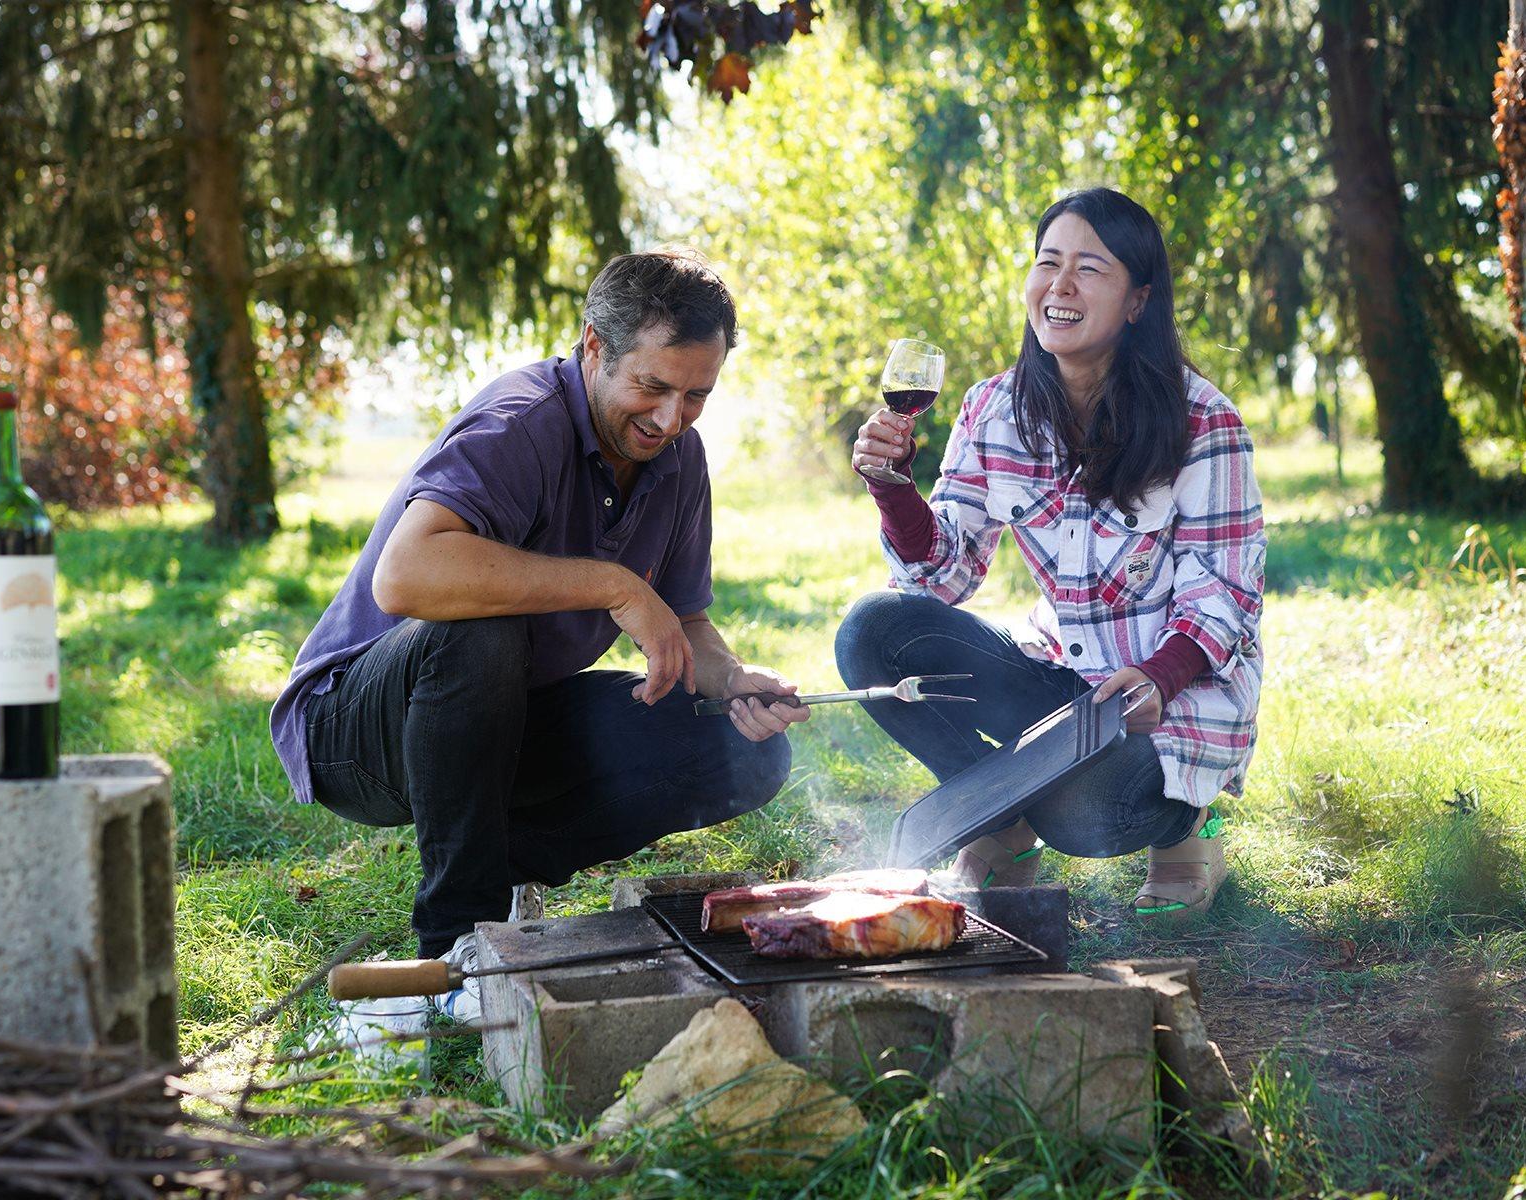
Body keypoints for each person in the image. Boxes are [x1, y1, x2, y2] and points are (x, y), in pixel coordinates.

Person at [271, 250, 809, 1027]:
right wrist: (615, 583)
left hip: (504, 718)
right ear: (594, 346)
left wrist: (732, 680)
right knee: (481, 634)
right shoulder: (520, 423)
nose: (671, 418)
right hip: (359, 729)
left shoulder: (679, 459)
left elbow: (687, 618)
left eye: (697, 395)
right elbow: (406, 576)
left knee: (743, 750)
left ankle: (490, 850)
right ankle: (454, 953)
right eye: (652, 387)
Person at [835, 188, 1264, 922]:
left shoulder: (1203, 421)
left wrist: (1160, 677)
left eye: (1089, 268)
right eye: (1047, 262)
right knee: (873, 632)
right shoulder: (992, 409)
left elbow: (1225, 592)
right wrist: (892, 487)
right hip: (1062, 682)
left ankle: (1190, 825)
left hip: (1164, 701)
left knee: (1083, 815)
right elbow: (942, 574)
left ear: (1137, 301)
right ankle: (1002, 821)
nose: (1059, 286)